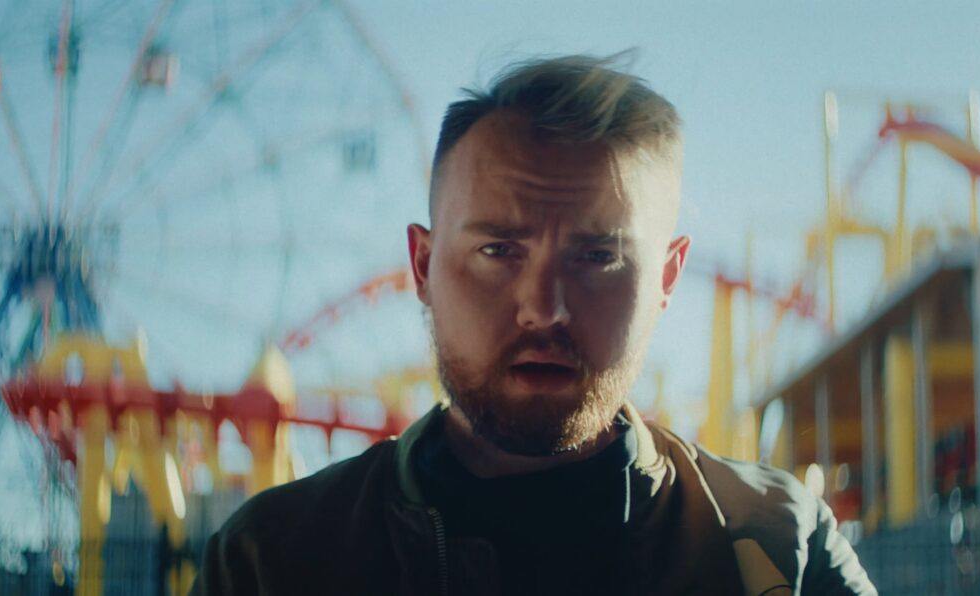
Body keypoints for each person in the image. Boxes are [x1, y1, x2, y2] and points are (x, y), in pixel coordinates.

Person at [192, 54, 875, 596]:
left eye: (598, 256)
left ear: (666, 278)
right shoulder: (272, 561)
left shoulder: (781, 548)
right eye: (498, 251)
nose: (545, 307)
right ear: (423, 266)